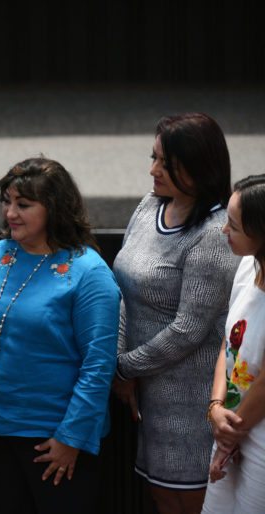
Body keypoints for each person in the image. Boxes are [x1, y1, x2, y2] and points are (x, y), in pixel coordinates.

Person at [0, 157, 121, 513]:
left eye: (24, 204)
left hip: (58, 440)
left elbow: (98, 365)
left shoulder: (88, 271)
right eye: (7, 202)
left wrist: (71, 438)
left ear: (55, 208)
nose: (10, 213)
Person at [111, 112, 239, 513]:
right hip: (145, 390)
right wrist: (124, 367)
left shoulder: (214, 234)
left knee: (185, 502)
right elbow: (121, 289)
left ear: (200, 167)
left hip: (191, 398)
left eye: (167, 164)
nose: (153, 170)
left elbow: (188, 329)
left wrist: (123, 368)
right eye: (153, 158)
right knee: (159, 498)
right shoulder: (150, 206)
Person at [201, 175, 265, 513]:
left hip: (255, 438)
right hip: (231, 426)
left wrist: (228, 437)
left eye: (234, 225)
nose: (224, 230)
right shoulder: (246, 266)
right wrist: (214, 407)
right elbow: (230, 341)